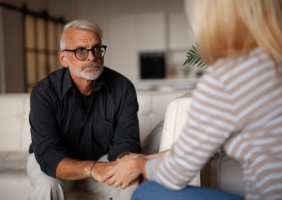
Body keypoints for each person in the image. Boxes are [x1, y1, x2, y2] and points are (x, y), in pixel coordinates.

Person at [100, 0, 282, 199]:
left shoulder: (230, 76)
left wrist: (138, 165)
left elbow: (175, 174)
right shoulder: (272, 63)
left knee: (145, 192)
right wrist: (145, 159)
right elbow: (205, 148)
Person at [27, 19, 142, 200]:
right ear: (63, 58)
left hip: (103, 157)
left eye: (96, 48)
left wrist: (124, 162)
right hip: (58, 160)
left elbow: (126, 142)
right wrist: (91, 168)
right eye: (81, 50)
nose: (92, 57)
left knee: (130, 185)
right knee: (48, 187)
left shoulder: (123, 87)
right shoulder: (44, 92)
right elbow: (48, 154)